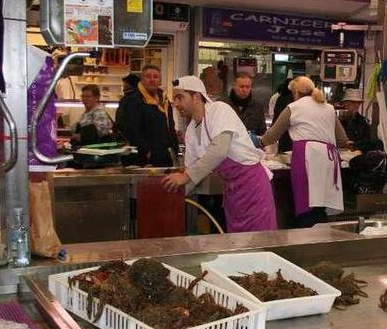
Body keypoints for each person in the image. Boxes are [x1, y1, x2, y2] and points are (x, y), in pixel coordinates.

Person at [162, 76, 277, 233]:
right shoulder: (190, 131)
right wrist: (171, 197)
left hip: (253, 188)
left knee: (259, 243)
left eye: (180, 97)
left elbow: (219, 150)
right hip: (232, 193)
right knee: (236, 244)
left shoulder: (219, 110)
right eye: (174, 99)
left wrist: (185, 177)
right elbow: (192, 170)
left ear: (196, 96)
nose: (176, 104)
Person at [260, 76, 351, 228]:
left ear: (295, 92)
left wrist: (258, 142)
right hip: (328, 159)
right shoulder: (328, 107)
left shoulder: (294, 107)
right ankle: (323, 235)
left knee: (306, 203)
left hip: (307, 157)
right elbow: (342, 139)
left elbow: (272, 135)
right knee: (321, 202)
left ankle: (307, 237)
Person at [115, 64, 178, 166]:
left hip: (165, 157)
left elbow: (170, 127)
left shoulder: (165, 100)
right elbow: (130, 131)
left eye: (155, 77)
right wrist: (147, 152)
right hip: (143, 160)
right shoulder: (131, 101)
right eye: (148, 76)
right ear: (142, 80)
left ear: (160, 80)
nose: (152, 80)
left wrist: (175, 149)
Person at [225, 73, 266, 140]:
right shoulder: (224, 105)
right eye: (241, 86)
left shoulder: (257, 107)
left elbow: (262, 131)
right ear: (234, 86)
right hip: (228, 146)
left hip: (250, 147)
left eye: (248, 87)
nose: (244, 90)